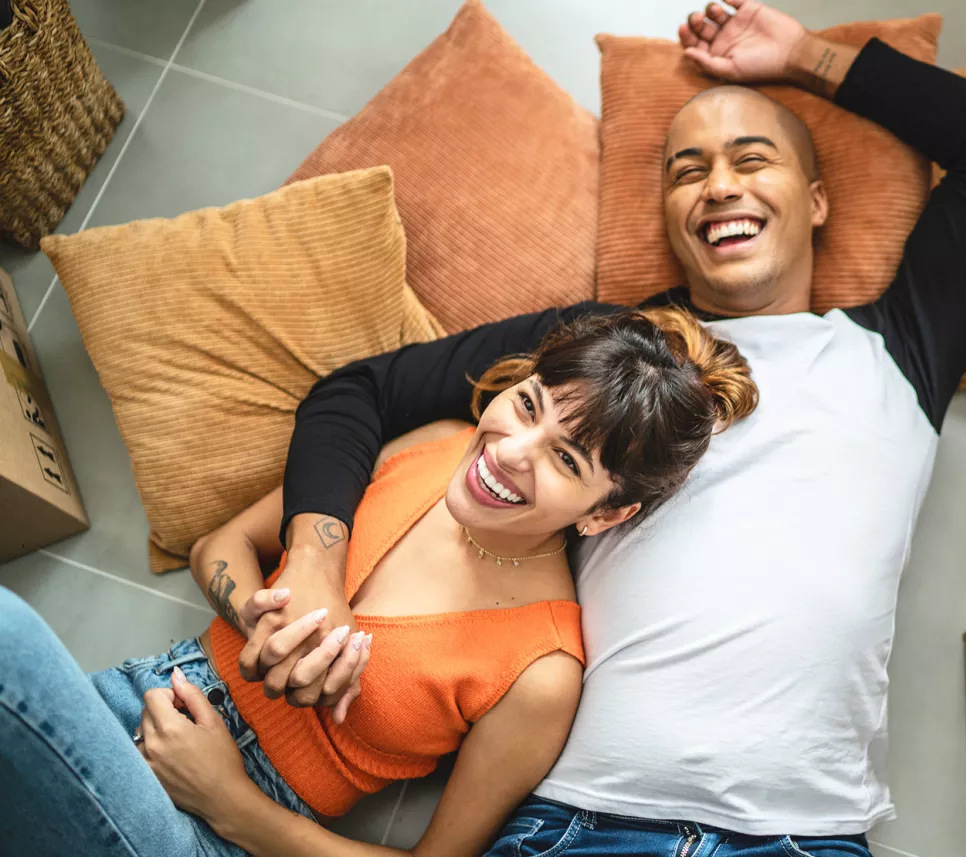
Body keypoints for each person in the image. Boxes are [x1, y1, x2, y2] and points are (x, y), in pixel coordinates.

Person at [204, 1, 966, 854]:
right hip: (580, 820)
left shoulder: (900, 350)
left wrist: (803, 57)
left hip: (804, 833)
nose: (719, 185)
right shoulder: (605, 354)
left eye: (753, 160)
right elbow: (360, 392)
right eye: (687, 170)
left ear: (819, 199)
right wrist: (315, 558)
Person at [0, 308, 758, 857]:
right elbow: (220, 543)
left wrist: (230, 802)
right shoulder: (435, 445)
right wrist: (260, 616)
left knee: (9, 637)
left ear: (606, 512)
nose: (511, 452)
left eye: (566, 461)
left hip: (215, 832)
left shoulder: (542, 670)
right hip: (133, 701)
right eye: (526, 406)